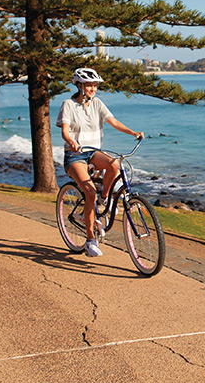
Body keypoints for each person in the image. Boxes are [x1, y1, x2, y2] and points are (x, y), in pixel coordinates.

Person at [56, 68, 144, 258]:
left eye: (95, 86)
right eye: (89, 85)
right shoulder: (68, 105)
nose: (93, 89)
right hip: (75, 156)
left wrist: (133, 132)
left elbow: (114, 122)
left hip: (93, 153)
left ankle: (104, 197)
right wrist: (71, 141)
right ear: (79, 85)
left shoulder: (97, 104)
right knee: (88, 191)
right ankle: (89, 241)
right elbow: (64, 130)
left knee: (113, 164)